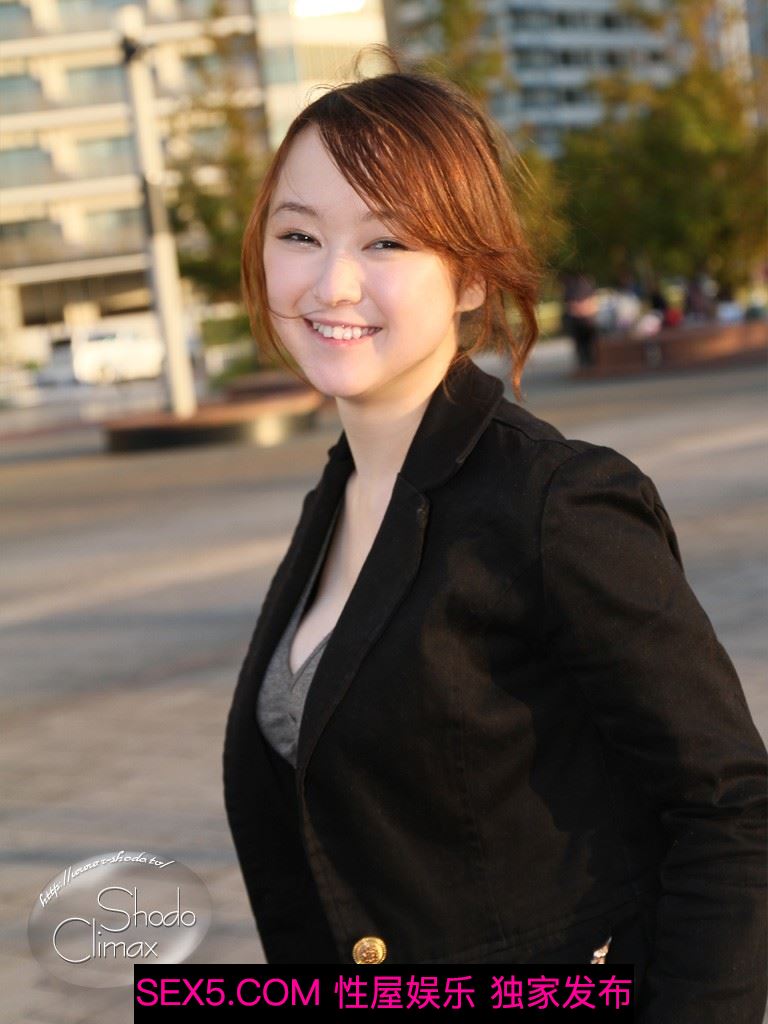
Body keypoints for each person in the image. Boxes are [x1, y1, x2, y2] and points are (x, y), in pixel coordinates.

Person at [222, 50, 767, 1022]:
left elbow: (730, 812)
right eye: (299, 234)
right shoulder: (339, 499)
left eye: (387, 241)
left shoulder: (555, 501)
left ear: (471, 277)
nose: (332, 283)